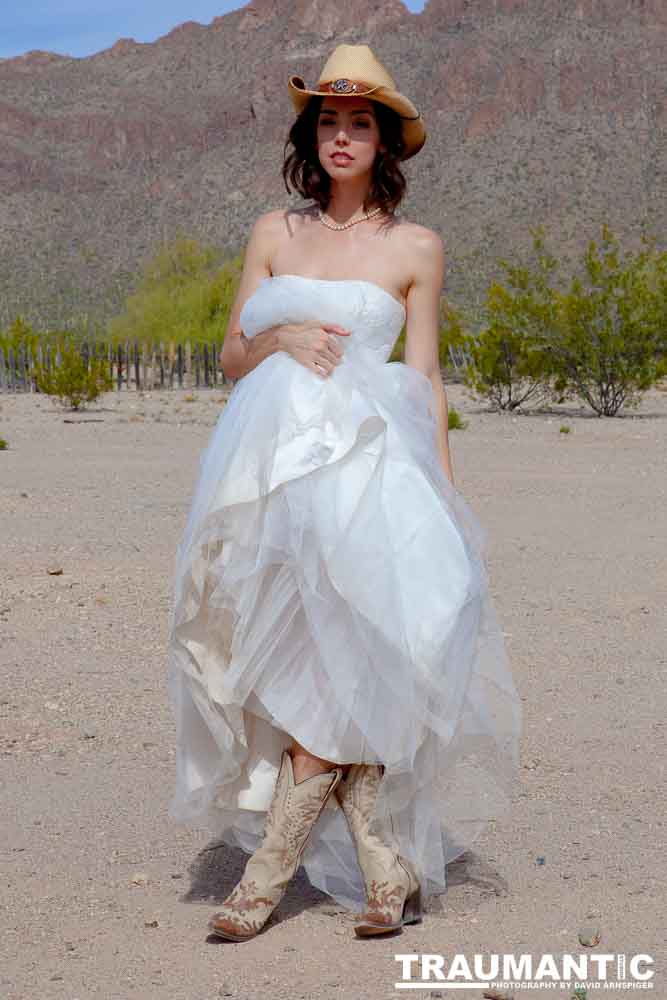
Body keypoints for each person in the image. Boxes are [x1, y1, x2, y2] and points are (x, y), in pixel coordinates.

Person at [167, 43, 522, 943]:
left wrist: (445, 494)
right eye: (327, 120)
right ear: (308, 134)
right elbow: (231, 357)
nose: (340, 136)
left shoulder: (415, 247)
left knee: (359, 655)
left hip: (373, 472)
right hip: (273, 470)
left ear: (385, 141)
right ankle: (382, 869)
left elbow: (427, 374)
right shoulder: (275, 234)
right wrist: (282, 336)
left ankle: (266, 873)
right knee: (293, 660)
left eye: (358, 122)